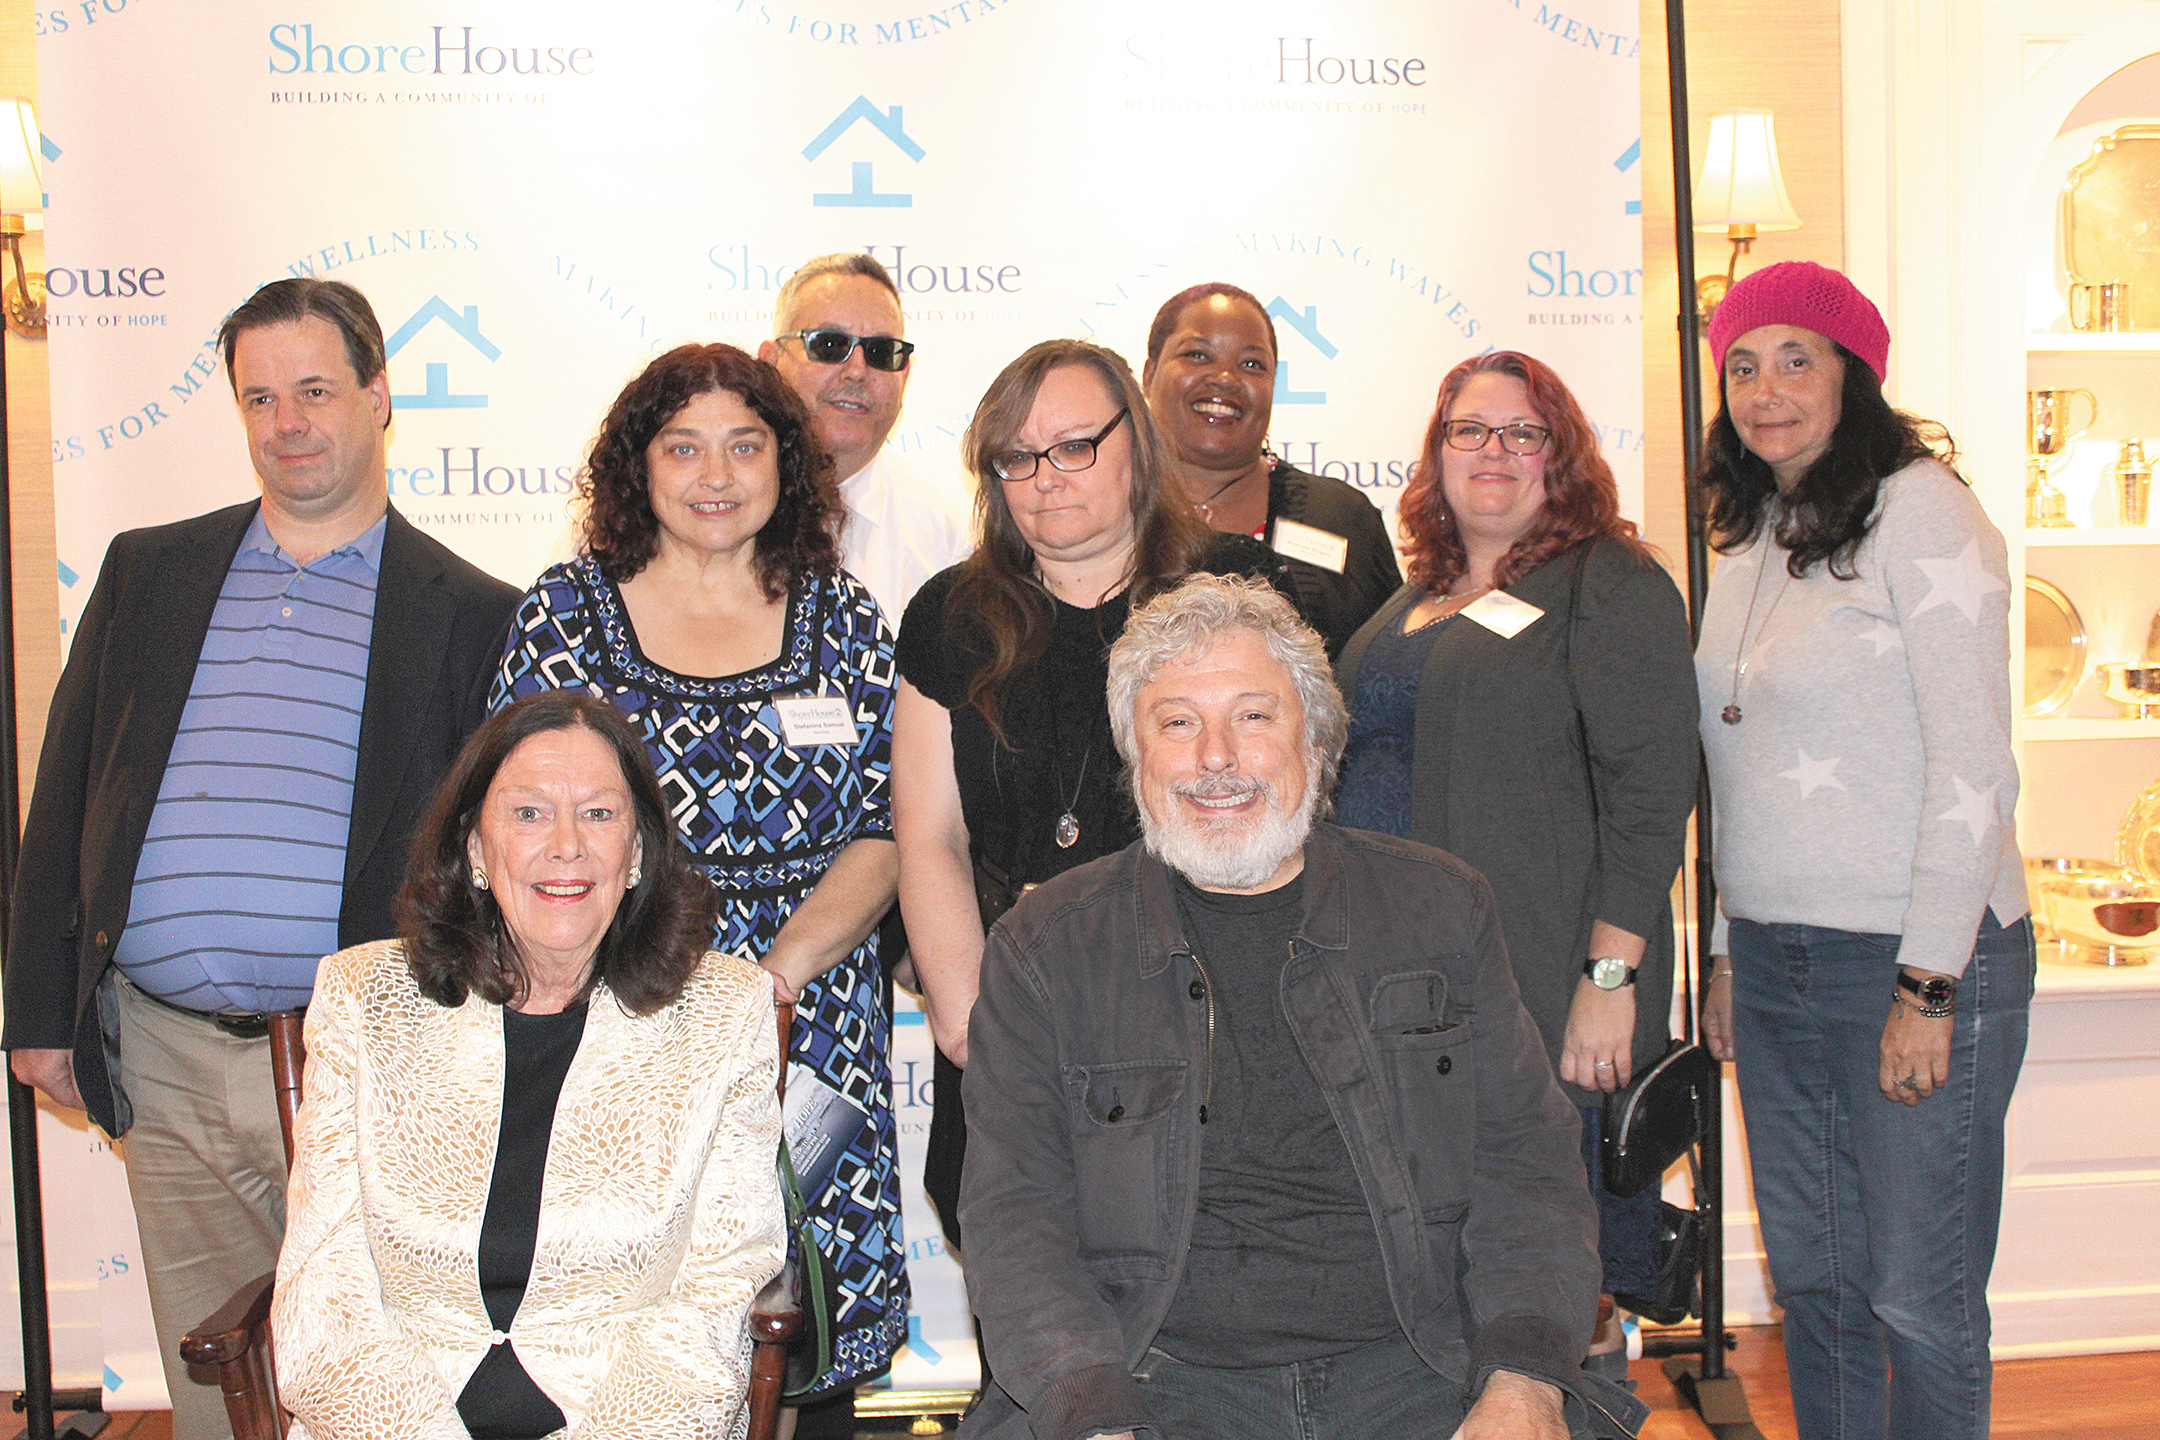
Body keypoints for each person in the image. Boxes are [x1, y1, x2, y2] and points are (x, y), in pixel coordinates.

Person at [1, 277, 520, 1439]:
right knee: (212, 1386)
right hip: (167, 1059)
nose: (289, 423)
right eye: (260, 398)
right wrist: (38, 1012)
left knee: (376, 1382)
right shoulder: (147, 573)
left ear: (380, 397)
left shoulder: (475, 613)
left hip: (367, 1067)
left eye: (317, 391)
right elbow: (67, 791)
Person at [957, 574, 1646, 1440]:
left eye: (1252, 716)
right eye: (1177, 723)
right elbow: (1015, 1219)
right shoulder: (1045, 948)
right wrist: (1091, 1412)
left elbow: (1527, 1166)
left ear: (1316, 742)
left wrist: (1523, 1378)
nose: (1215, 758)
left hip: (1426, 1361)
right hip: (1153, 1376)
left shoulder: (1440, 907)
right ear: (1135, 757)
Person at [490, 342, 908, 1415]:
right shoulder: (565, 615)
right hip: (620, 1019)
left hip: (808, 1022)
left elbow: (888, 827)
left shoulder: (847, 620)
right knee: (628, 1346)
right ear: (638, 467)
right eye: (682, 448)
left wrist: (773, 978)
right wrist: (676, 987)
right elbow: (521, 823)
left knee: (799, 1339)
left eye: (744, 446)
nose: (716, 475)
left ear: (787, 464)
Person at [1694, 262, 2031, 1440]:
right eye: (1743, 365)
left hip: (1910, 957)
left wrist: (1929, 983)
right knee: (1821, 1289)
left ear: (1857, 376)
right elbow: (1738, 763)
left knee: (1918, 1299)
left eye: (1798, 359)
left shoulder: (1924, 511)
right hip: (1775, 963)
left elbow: (1976, 766)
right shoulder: (1751, 535)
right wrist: (1727, 947)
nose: (1766, 389)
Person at [274, 691, 785, 1439]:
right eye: (528, 813)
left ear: (637, 851)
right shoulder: (364, 998)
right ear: (476, 850)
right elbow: (324, 1293)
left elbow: (719, 1293)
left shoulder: (724, 1009)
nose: (566, 845)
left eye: (599, 814)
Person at [1333, 351, 1698, 1375]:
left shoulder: (1608, 582)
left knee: (1556, 1271)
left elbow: (1650, 798)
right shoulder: (1423, 593)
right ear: (1438, 452)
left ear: (1559, 454)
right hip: (1409, 988)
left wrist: (1609, 981)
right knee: (1449, 1272)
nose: (1494, 451)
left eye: (1523, 432)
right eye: (1470, 430)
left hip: (1543, 988)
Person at [891, 340, 1281, 1251]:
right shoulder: (950, 615)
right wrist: (970, 1022)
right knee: (1029, 1298)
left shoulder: (1234, 593)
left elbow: (1277, 820)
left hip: (1198, 1028)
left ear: (1135, 443)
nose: (1045, 479)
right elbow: (930, 835)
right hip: (1010, 1032)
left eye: (1074, 447)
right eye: (1017, 457)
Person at [1141, 281, 1399, 656]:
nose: (1225, 377)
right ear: (1149, 375)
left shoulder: (1342, 517)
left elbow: (1388, 667)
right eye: (1197, 355)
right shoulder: (1098, 510)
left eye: (1252, 364)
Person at [759, 251, 973, 622]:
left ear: (905, 375)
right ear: (771, 362)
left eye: (881, 352)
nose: (857, 371)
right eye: (829, 345)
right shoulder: (709, 508)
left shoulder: (948, 544)